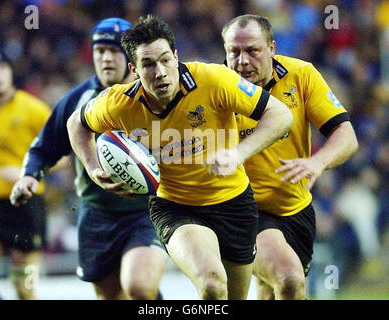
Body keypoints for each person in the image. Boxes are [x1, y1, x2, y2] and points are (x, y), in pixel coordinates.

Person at [67, 15, 293, 300]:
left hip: (235, 205)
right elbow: (76, 123)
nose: (159, 72)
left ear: (176, 57)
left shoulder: (214, 80)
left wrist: (239, 153)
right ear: (134, 70)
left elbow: (281, 115)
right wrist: (91, 167)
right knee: (212, 285)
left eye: (165, 60)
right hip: (175, 208)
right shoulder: (119, 103)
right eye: (148, 64)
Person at [9, 17, 167, 300]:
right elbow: (43, 148)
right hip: (96, 213)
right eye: (99, 51)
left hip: (147, 211)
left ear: (131, 56)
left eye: (115, 50)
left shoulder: (156, 94)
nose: (106, 58)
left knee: (140, 287)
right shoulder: (76, 100)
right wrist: (29, 176)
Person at [221, 14, 358, 299]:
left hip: (295, 210)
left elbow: (346, 135)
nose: (242, 61)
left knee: (270, 291)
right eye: (234, 52)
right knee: (290, 279)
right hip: (242, 211)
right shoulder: (215, 88)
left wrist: (317, 162)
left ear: (272, 48)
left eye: (252, 51)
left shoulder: (301, 75)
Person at [0, 51, 51, 300]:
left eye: (2, 68)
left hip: (26, 205)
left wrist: (27, 172)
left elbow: (62, 154)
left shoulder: (33, 109)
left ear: (11, 73)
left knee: (24, 289)